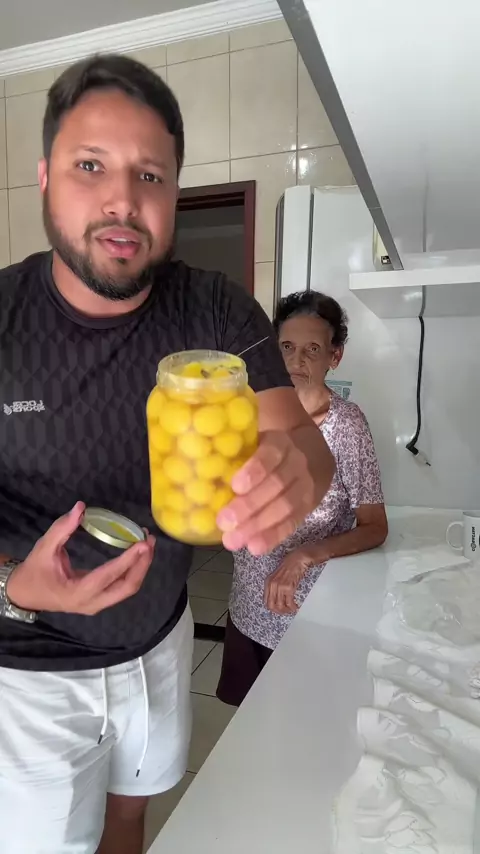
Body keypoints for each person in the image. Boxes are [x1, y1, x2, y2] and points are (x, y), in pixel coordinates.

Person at [0, 56, 335, 854]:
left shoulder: (215, 306)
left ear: (174, 191)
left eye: (149, 175)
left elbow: (303, 443)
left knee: (131, 818)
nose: (123, 199)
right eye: (90, 166)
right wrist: (13, 585)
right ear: (44, 177)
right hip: (29, 668)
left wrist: (298, 469)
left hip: (161, 638)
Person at [217, 290, 388, 707]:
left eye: (313, 349)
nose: (297, 360)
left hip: (307, 615)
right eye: (287, 347)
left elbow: (375, 526)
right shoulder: (247, 414)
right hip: (248, 604)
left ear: (335, 356)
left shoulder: (346, 426)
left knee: (299, 722)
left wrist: (303, 555)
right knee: (246, 724)